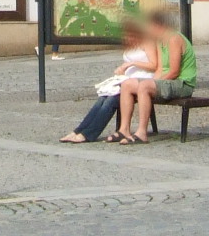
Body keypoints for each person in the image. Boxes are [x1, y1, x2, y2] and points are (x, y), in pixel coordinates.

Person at [59, 15, 153, 144]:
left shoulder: (147, 43)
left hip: (142, 81)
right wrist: (122, 70)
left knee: (111, 101)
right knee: (102, 99)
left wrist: (132, 64)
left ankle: (89, 133)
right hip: (126, 80)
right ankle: (79, 130)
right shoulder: (130, 45)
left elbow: (154, 65)